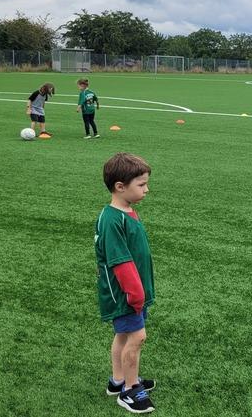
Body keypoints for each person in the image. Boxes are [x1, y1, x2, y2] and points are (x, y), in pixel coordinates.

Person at [96, 152, 157, 413]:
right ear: (120, 187)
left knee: (123, 334)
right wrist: (135, 295)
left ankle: (118, 380)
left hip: (134, 292)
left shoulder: (127, 211)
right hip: (126, 294)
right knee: (137, 337)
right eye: (141, 185)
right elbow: (120, 263)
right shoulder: (112, 220)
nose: (147, 189)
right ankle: (130, 391)